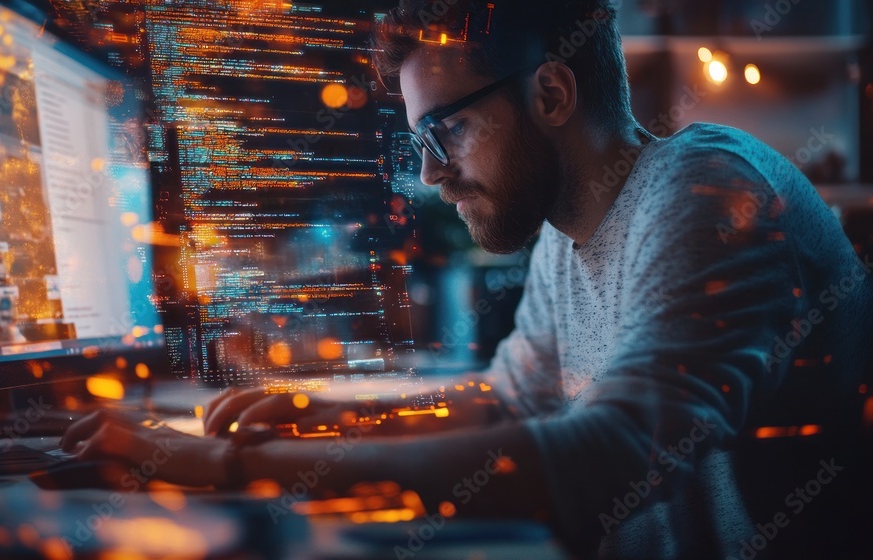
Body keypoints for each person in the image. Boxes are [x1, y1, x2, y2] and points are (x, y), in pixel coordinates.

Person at [62, 1, 873, 557]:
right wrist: (317, 418)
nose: (429, 175)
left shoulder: (707, 193)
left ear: (552, 92)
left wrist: (233, 468)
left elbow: (616, 450)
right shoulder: (569, 234)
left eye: (444, 130)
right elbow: (508, 399)